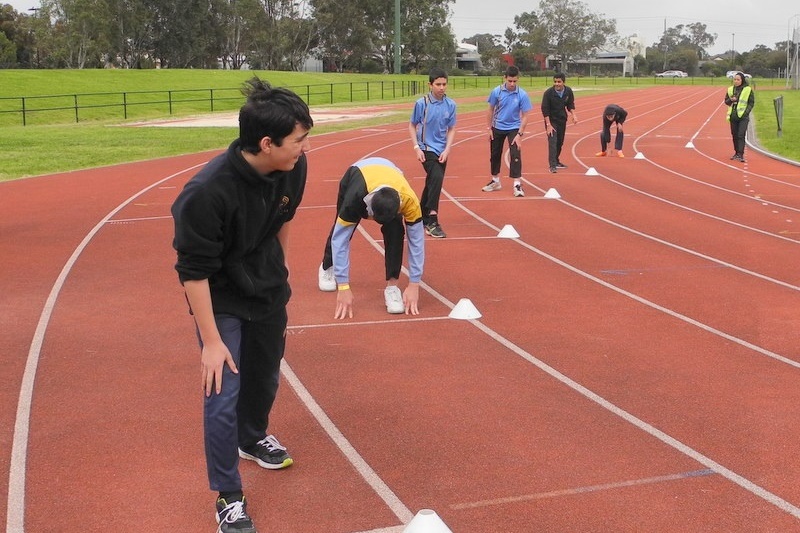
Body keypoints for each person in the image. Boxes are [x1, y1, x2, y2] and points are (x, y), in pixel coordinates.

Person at [171, 77, 313, 533]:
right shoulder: (205, 194)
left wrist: (280, 272)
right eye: (297, 140)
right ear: (266, 142)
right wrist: (211, 342)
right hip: (222, 297)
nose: (303, 149)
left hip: (268, 289)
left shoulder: (294, 166)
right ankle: (228, 497)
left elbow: (283, 219)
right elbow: (193, 272)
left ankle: (251, 439)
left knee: (265, 374)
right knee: (221, 392)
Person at [317, 157, 424, 318]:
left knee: (395, 230)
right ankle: (327, 266)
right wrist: (343, 286)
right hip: (356, 174)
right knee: (341, 228)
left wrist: (414, 283)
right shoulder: (355, 199)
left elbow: (416, 241)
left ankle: (392, 287)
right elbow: (340, 239)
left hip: (390, 176)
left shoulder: (410, 201)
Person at [408, 67, 457, 238]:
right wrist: (416, 148)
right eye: (438, 84)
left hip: (442, 150)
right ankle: (432, 219)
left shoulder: (451, 105)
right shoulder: (422, 104)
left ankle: (419, 216)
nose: (442, 87)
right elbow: (412, 125)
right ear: (430, 85)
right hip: (426, 149)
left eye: (444, 84)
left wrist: (448, 148)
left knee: (432, 183)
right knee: (436, 178)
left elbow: (451, 129)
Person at [481, 65, 533, 198]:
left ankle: (517, 184)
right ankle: (495, 181)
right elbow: (490, 110)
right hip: (497, 127)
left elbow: (526, 115)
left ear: (518, 80)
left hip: (514, 128)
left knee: (515, 154)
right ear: (504, 78)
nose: (512, 84)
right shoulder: (496, 92)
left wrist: (520, 134)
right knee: (495, 154)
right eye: (510, 81)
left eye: (515, 81)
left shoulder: (522, 94)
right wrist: (489, 128)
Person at [541, 73, 578, 173]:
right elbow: (545, 109)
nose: (557, 84)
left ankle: (556, 161)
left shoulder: (568, 91)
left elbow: (570, 104)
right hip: (551, 120)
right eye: (555, 82)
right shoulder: (548, 93)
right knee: (552, 141)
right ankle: (552, 165)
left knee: (559, 142)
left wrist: (573, 115)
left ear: (563, 82)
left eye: (559, 82)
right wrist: (548, 125)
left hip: (562, 119)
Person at [724, 71, 754, 163]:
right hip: (733, 115)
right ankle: (736, 152)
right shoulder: (730, 90)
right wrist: (731, 100)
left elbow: (751, 102)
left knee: (741, 135)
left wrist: (746, 112)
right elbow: (726, 102)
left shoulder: (748, 90)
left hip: (743, 116)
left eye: (738, 79)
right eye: (735, 79)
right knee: (735, 135)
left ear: (742, 80)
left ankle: (740, 154)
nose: (736, 81)